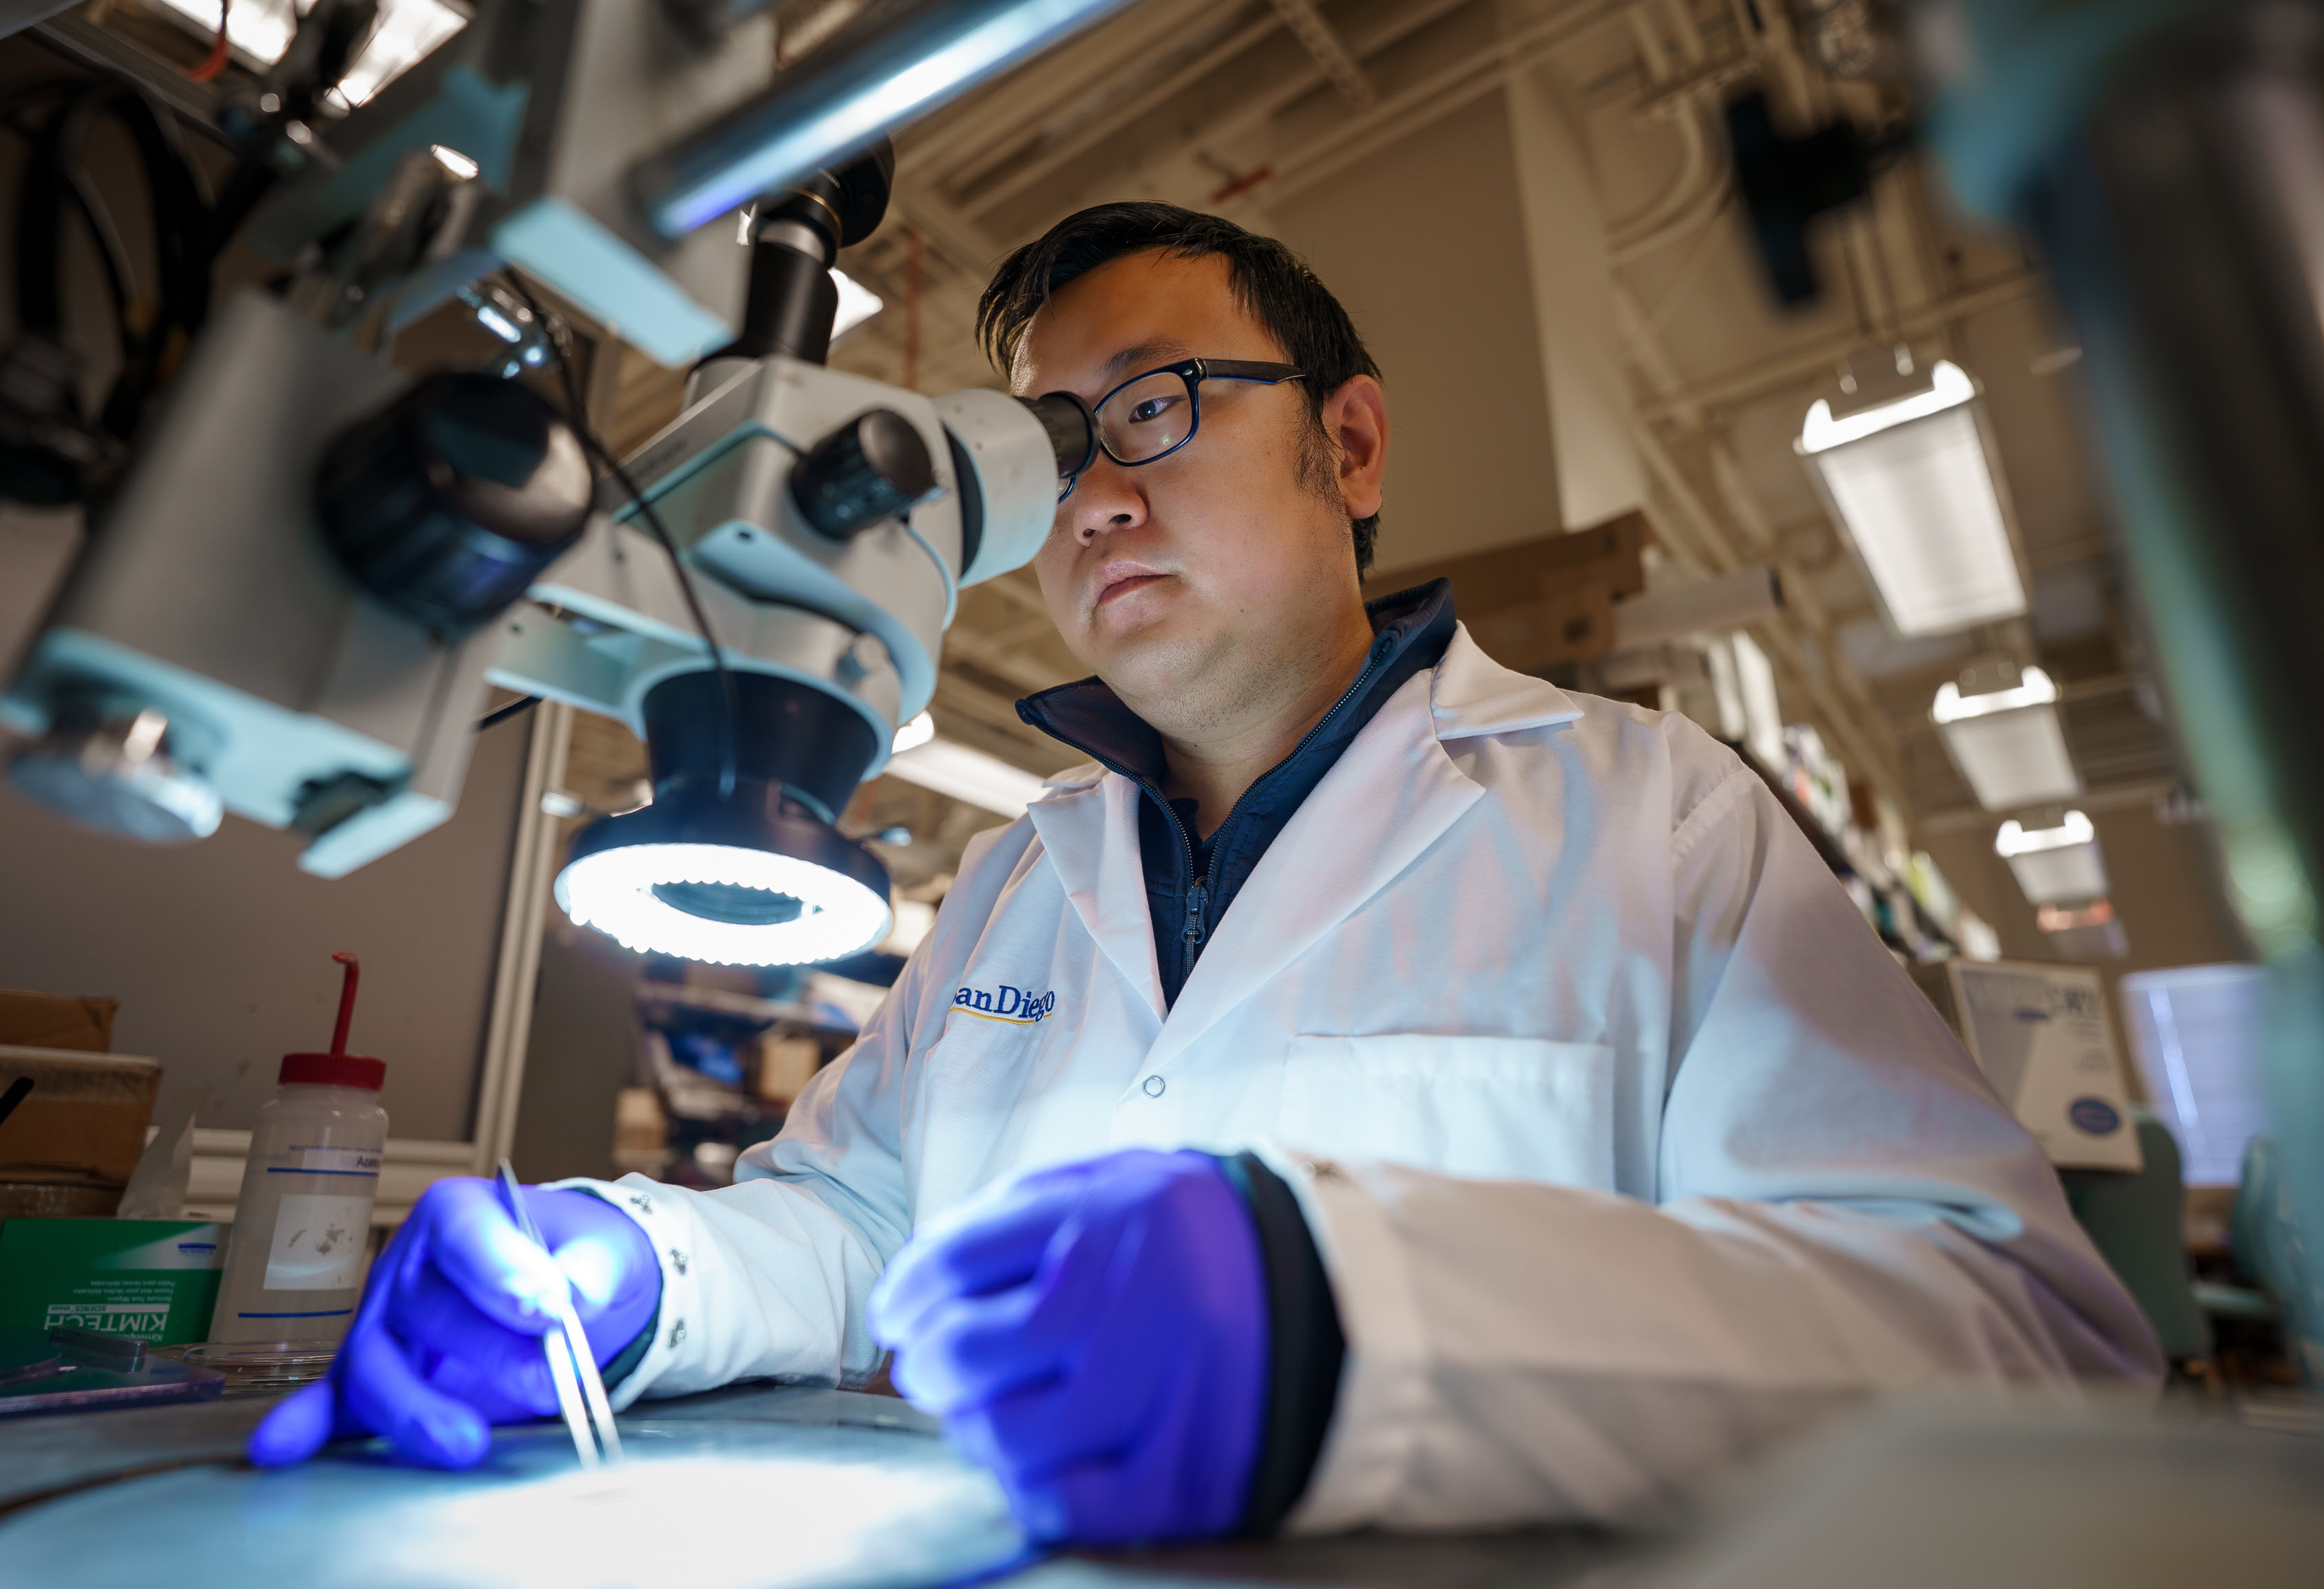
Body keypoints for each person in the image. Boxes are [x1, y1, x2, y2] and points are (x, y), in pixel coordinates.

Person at [251, 202, 2160, 1541]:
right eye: (1050, 446)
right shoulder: (1025, 873)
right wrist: (640, 1274)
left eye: (1153, 404)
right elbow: (857, 1230)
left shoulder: (1653, 818)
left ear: (1351, 439)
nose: (1094, 488)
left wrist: (1358, 1332)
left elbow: (2009, 1336)